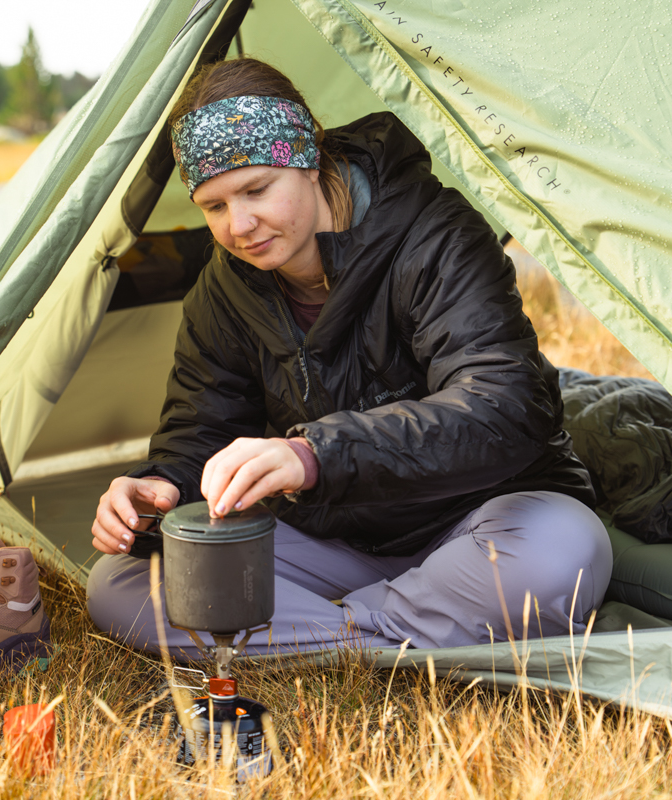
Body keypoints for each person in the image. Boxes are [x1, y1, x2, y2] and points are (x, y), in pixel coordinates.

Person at [86, 57, 611, 657]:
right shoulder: (224, 287)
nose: (240, 225)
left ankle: (317, 640)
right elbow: (200, 432)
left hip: (477, 522)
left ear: (308, 160)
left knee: (563, 550)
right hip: (332, 536)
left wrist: (315, 455)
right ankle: (379, 641)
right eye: (214, 206)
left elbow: (504, 409)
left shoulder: (436, 236)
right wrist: (158, 488)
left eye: (257, 189)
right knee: (125, 579)